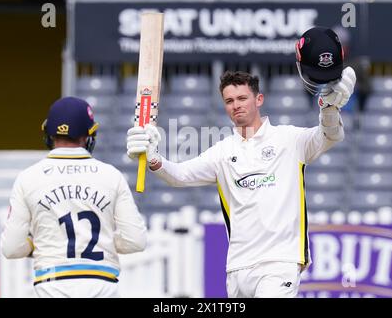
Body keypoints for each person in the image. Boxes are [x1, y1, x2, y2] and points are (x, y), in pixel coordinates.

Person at [126, 27, 356, 298]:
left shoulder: (290, 140)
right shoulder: (222, 151)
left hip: (279, 264)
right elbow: (180, 176)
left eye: (242, 98)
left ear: (259, 99)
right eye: (229, 101)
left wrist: (329, 107)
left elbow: (331, 135)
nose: (236, 105)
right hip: (237, 268)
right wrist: (153, 158)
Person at [1, 97, 147, 298]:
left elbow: (11, 248)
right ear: (89, 135)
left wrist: (42, 243)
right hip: (102, 285)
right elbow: (136, 241)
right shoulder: (111, 176)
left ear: (48, 133)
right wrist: (103, 240)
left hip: (50, 286)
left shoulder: (28, 178)